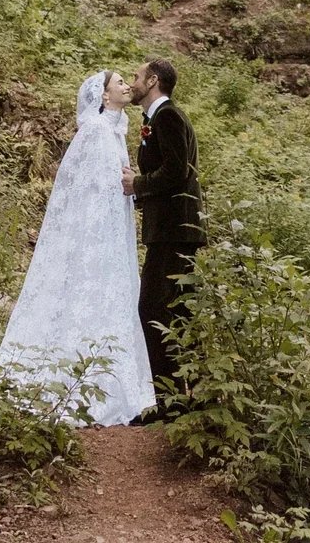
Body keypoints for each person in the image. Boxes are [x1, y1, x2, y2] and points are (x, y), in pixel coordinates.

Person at [0, 71, 155, 426]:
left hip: (113, 230)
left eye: (129, 81)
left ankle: (117, 376)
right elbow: (86, 191)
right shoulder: (96, 131)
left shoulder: (114, 129)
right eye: (120, 83)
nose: (128, 86)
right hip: (98, 233)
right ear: (104, 96)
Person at [122, 58, 204, 418]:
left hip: (174, 231)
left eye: (137, 77)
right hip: (174, 230)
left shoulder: (168, 117)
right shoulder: (157, 119)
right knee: (180, 312)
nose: (132, 82)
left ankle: (170, 405)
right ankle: (188, 400)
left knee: (153, 309)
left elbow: (176, 170)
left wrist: (136, 184)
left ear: (153, 81)